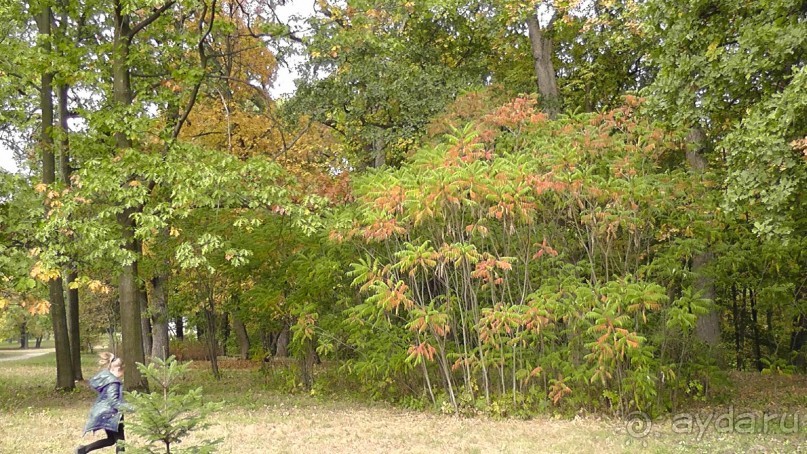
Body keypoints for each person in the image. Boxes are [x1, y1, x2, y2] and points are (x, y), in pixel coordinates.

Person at [76, 352, 129, 454]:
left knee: (111, 440)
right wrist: (133, 407)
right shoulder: (113, 383)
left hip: (105, 413)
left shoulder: (106, 378)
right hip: (112, 415)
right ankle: (83, 450)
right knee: (120, 442)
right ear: (118, 369)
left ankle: (83, 450)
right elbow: (114, 402)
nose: (123, 375)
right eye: (123, 371)